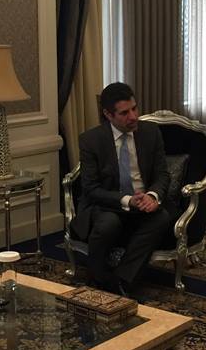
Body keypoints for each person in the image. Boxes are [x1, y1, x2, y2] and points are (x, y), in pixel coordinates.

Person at [71, 82, 172, 295]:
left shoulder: (151, 133)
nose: (133, 116)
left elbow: (162, 174)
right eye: (124, 113)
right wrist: (126, 200)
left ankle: (121, 281)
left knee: (162, 218)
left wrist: (152, 196)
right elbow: (91, 189)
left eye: (134, 109)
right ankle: (97, 277)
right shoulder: (91, 140)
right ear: (108, 114)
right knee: (108, 223)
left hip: (142, 203)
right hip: (107, 204)